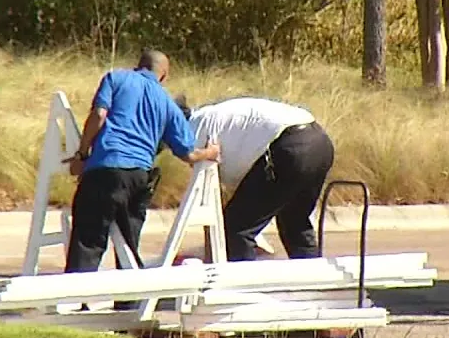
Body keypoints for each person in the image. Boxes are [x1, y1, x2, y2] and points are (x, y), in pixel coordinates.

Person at [63, 50, 220, 273]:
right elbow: (188, 154)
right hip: (139, 176)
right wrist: (211, 152)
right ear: (164, 75)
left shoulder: (116, 78)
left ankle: (75, 297)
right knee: (129, 245)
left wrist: (81, 154)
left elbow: (99, 115)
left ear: (138, 65)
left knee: (88, 241)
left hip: (105, 167)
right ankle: (128, 302)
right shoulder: (167, 103)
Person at [181, 96, 335, 261]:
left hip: (290, 147)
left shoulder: (193, 129)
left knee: (236, 229)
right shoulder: (213, 116)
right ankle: (311, 278)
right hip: (320, 143)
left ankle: (244, 285)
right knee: (295, 223)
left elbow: (209, 195)